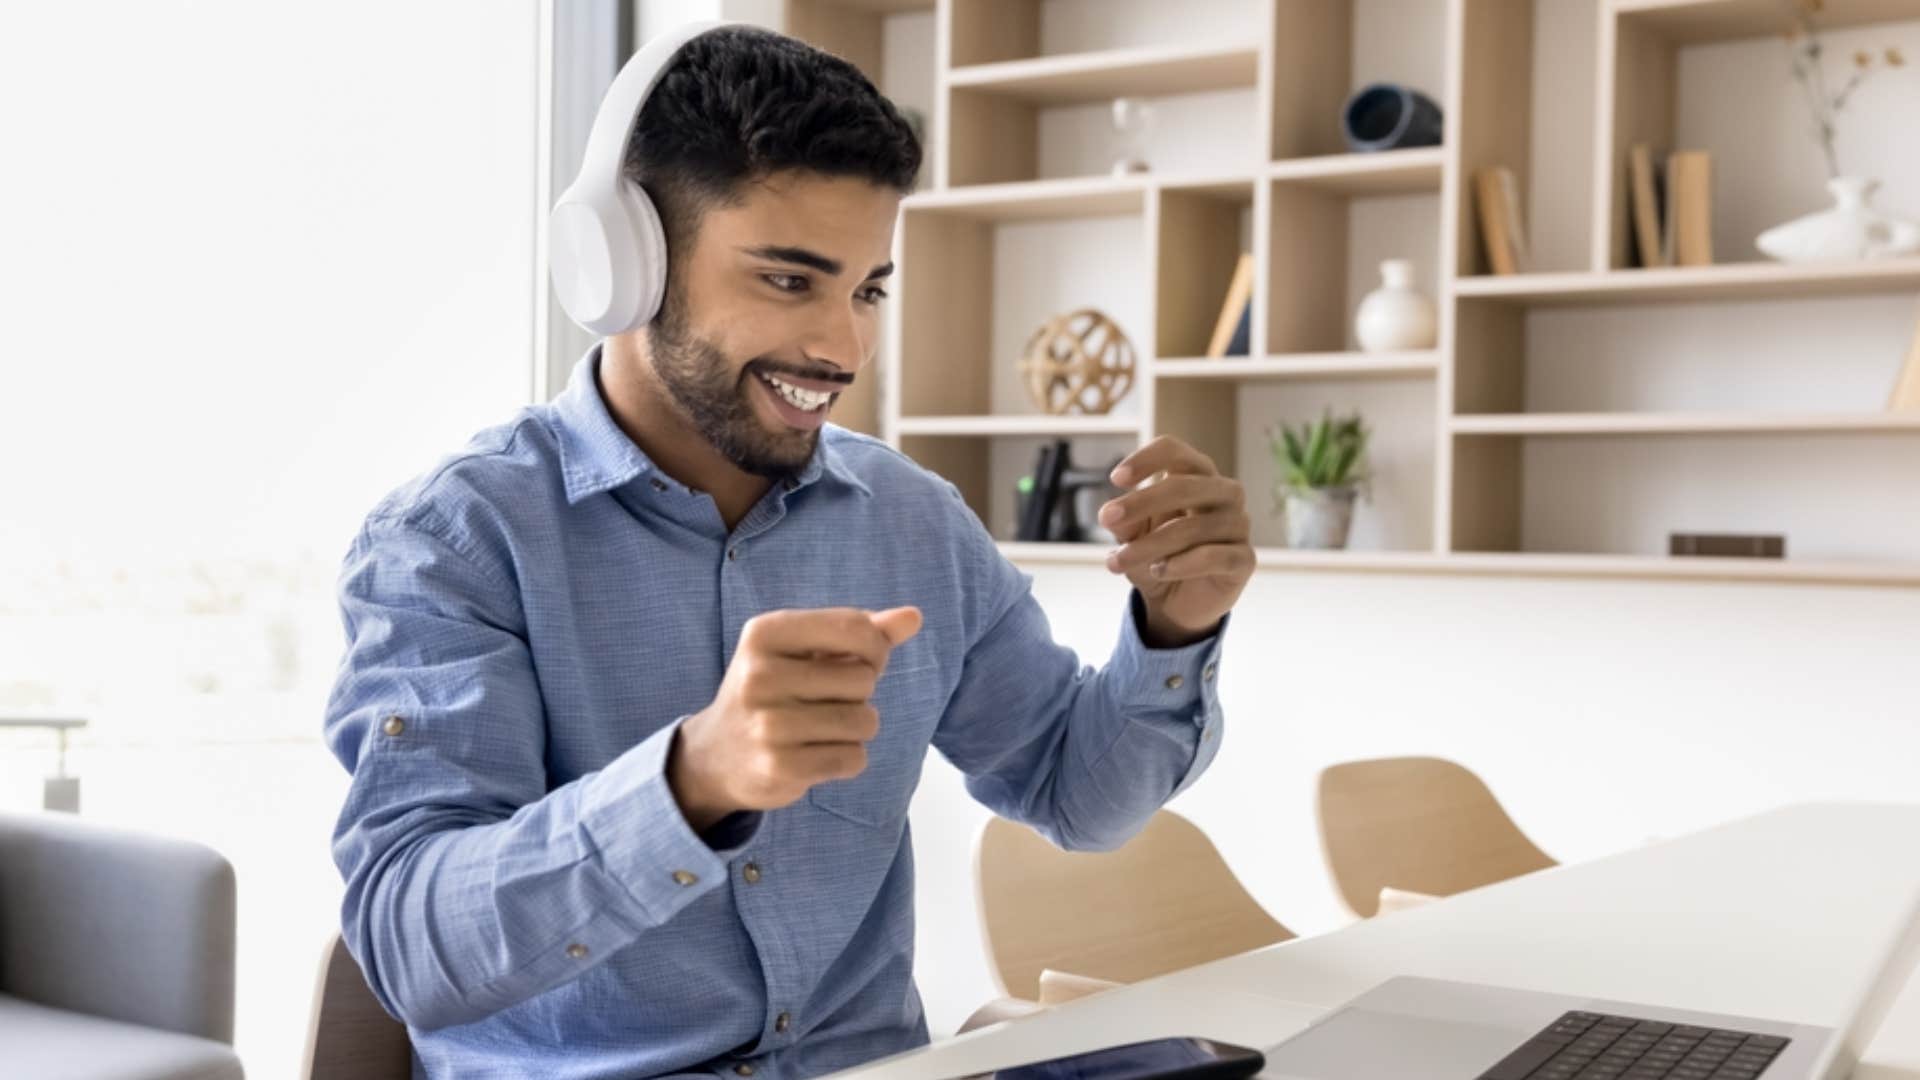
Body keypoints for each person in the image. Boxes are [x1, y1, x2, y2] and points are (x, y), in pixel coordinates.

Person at [323, 22, 1254, 1080]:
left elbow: (1080, 799)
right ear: (624, 264)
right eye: (789, 280)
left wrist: (1178, 625)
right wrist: (689, 783)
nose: (845, 347)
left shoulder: (915, 524)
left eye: (867, 288)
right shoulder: (455, 541)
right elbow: (409, 948)